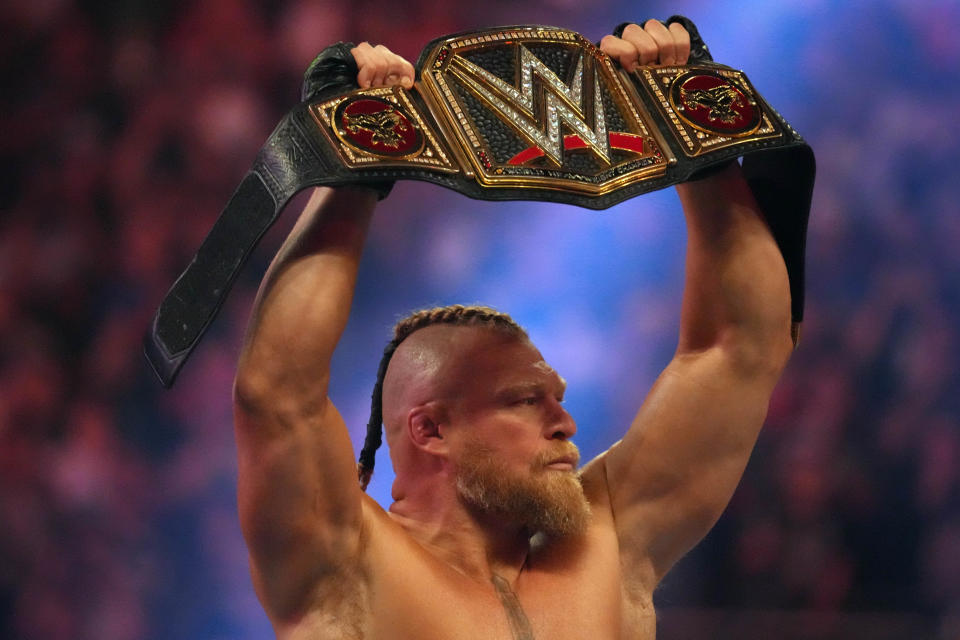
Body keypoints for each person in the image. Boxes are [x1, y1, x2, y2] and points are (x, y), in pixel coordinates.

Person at [232, 19, 794, 640]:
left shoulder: (608, 545)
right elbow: (275, 393)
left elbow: (742, 346)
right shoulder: (343, 569)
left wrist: (696, 137)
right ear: (432, 429)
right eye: (526, 401)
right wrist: (349, 167)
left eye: (555, 397)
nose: (566, 423)